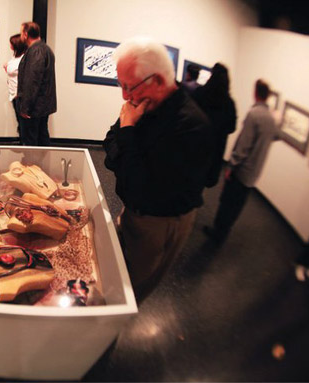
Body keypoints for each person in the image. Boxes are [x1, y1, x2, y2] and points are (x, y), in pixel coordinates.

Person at [103, 37, 213, 302]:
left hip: (159, 222)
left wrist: (127, 131)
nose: (124, 96)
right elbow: (108, 144)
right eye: (121, 86)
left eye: (129, 87)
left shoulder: (191, 126)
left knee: (130, 288)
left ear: (160, 81)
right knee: (117, 263)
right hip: (134, 209)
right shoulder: (143, 105)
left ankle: (108, 332)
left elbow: (141, 187)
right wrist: (124, 139)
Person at [203, 79, 283, 242]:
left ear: (255, 93)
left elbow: (243, 146)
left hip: (242, 170)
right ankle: (224, 233)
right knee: (237, 206)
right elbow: (277, 136)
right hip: (254, 173)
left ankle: (217, 233)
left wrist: (230, 167)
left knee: (227, 202)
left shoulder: (254, 115)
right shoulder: (271, 118)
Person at [193, 63, 237, 187]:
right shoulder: (229, 104)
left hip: (196, 145)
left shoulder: (200, 94)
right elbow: (232, 127)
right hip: (214, 152)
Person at [17, 21, 56, 146]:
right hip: (42, 106)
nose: (20, 36)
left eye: (21, 32)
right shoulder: (45, 49)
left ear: (26, 34)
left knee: (31, 142)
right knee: (41, 137)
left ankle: (32, 165)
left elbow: (32, 81)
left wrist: (25, 108)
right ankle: (41, 165)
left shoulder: (36, 51)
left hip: (34, 108)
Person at [4, 33, 27, 137]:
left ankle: (25, 146)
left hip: (19, 96)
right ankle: (23, 143)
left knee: (24, 124)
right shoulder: (14, 56)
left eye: (11, 43)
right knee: (20, 123)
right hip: (13, 95)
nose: (10, 45)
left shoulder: (23, 58)